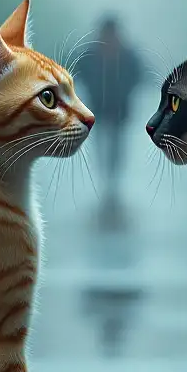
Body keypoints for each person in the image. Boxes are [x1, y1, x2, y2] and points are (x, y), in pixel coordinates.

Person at [73, 14, 145, 222]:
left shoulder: (128, 55)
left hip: (120, 110)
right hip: (98, 109)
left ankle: (113, 180)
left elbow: (140, 74)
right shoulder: (90, 54)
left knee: (117, 146)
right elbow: (76, 71)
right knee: (101, 144)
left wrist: (128, 90)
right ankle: (106, 177)